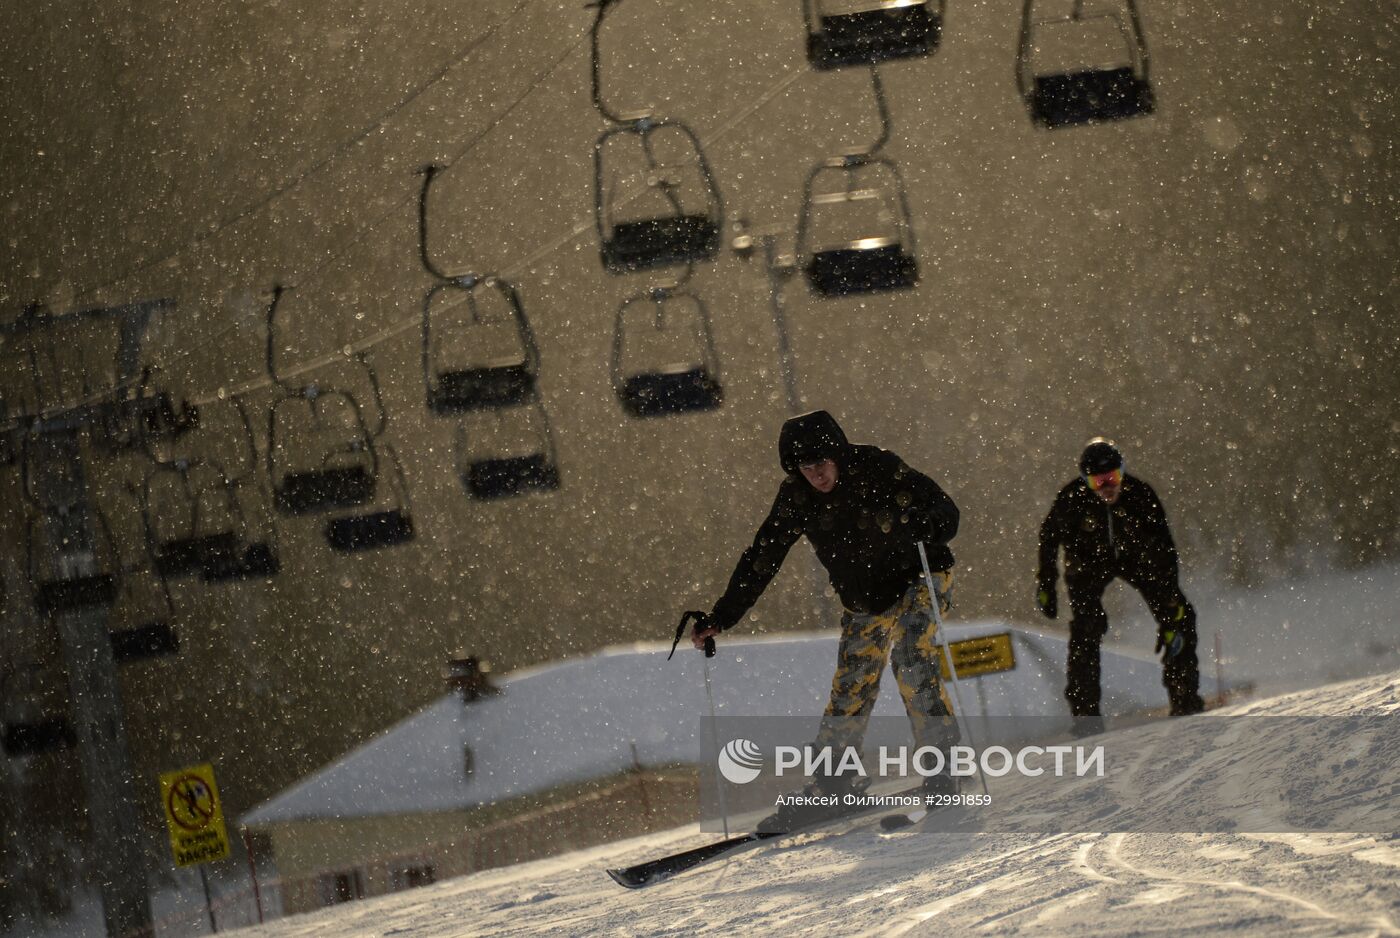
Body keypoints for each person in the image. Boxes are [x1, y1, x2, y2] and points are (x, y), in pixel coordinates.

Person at [688, 410, 961, 828]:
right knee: (852, 685)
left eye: (822, 464)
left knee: (910, 658)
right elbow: (764, 556)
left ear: (838, 454)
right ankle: (834, 782)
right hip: (864, 597)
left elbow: (945, 509)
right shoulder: (796, 496)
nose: (816, 475)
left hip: (918, 577)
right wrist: (723, 616)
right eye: (805, 467)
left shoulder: (878, 467)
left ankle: (942, 768)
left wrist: (929, 524)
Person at [1036, 438, 1205, 726]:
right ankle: (1085, 716)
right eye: (1097, 482)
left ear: (1122, 473)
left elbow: (1164, 547)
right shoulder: (1071, 499)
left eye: (1112, 478)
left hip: (1136, 559)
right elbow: (1048, 540)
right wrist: (1046, 586)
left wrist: (1170, 596)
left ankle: (1184, 697)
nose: (1106, 488)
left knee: (1180, 617)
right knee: (1086, 629)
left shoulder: (1140, 494)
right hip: (1086, 565)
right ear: (1085, 481)